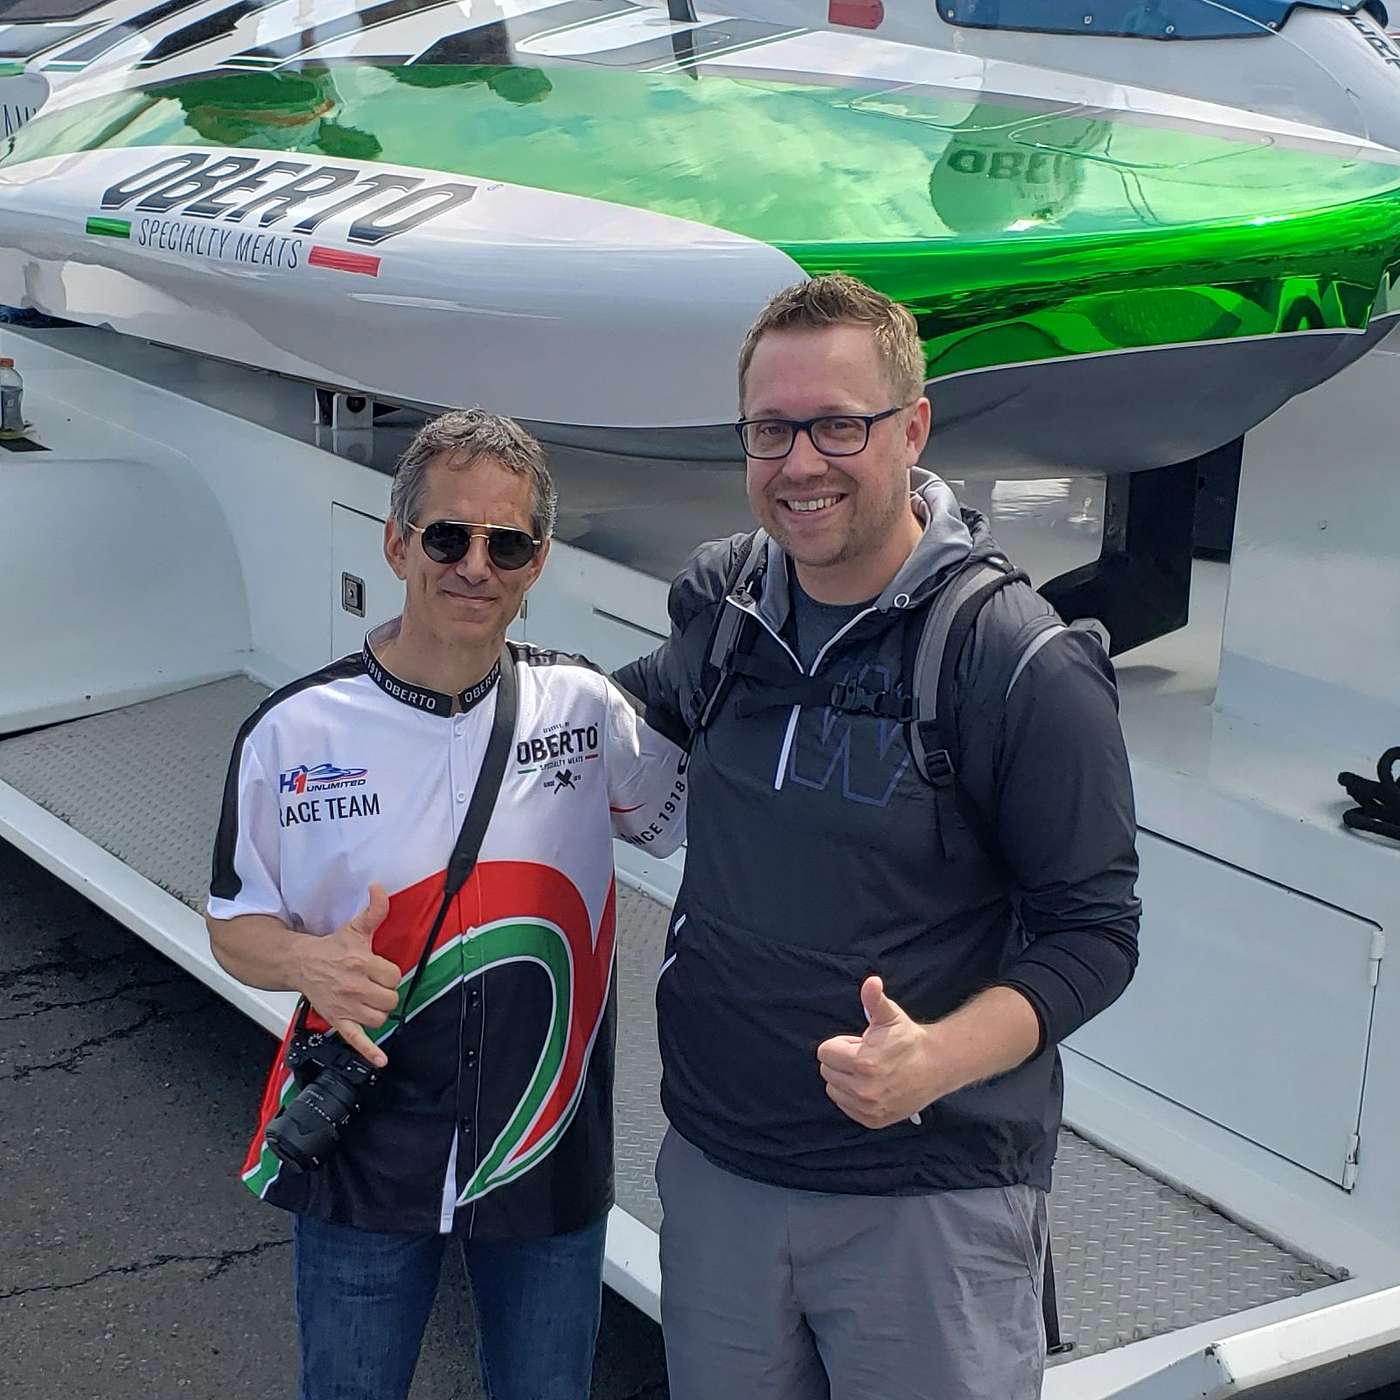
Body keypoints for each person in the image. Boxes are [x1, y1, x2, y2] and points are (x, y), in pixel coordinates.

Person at [615, 274, 1141, 1400]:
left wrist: (933, 1060)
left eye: (838, 425)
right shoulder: (724, 608)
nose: (800, 462)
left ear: (912, 429)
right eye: (770, 429)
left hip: (925, 1204)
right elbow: (616, 721)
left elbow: (1094, 935)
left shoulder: (1020, 663)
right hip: (717, 1175)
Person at [206, 409, 687, 1400]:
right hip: (366, 1153)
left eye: (505, 544)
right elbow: (232, 925)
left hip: (544, 1148)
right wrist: (303, 962)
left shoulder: (586, 709)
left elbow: (692, 812)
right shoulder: (291, 732)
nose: (475, 566)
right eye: (447, 537)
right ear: (396, 544)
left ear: (537, 561)